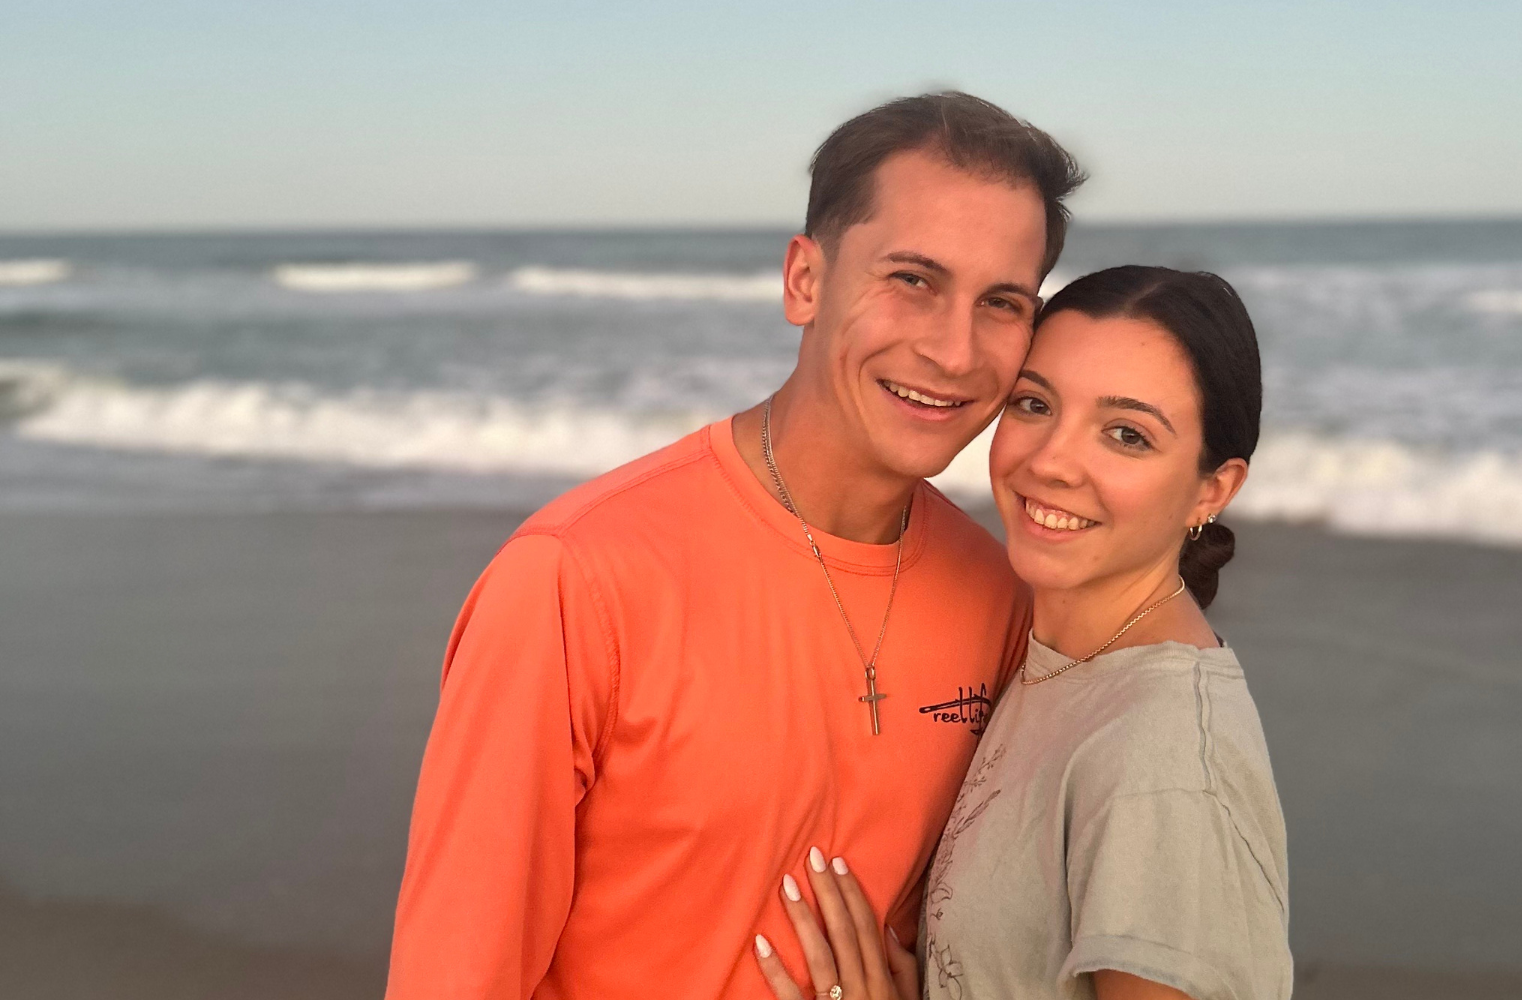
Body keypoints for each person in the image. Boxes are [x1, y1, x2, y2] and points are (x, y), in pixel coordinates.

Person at [384, 92, 1085, 1000]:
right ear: (804, 280)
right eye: (911, 279)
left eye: (1001, 302)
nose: (955, 351)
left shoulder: (1000, 598)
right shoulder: (576, 578)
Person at [751, 267, 1291, 1000]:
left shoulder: (1164, 767)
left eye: (1126, 435)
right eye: (1035, 404)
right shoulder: (1057, 660)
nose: (1050, 461)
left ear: (1211, 489)